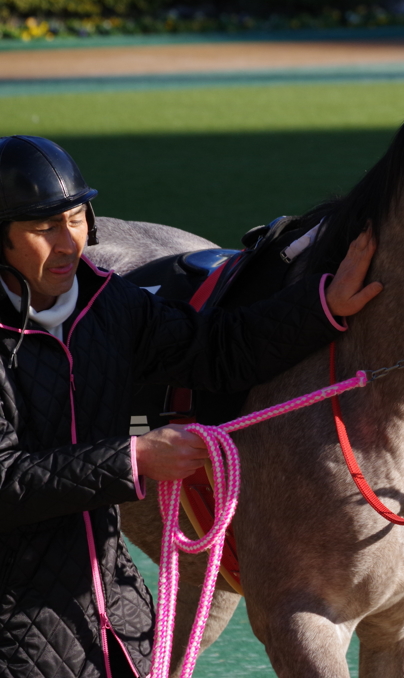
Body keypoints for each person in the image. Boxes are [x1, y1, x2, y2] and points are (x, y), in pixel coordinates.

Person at [0, 135, 383, 678]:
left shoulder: (107, 304)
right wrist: (133, 459)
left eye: (77, 219)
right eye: (44, 228)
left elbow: (218, 349)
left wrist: (323, 306)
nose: (69, 244)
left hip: (111, 617)